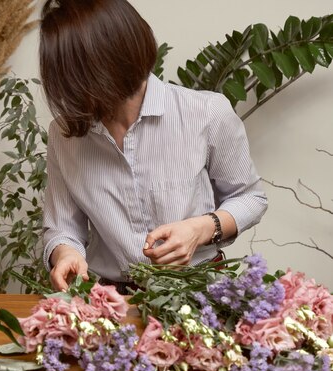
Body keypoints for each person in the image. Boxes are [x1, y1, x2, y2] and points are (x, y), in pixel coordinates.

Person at [39, 0, 268, 293]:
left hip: (200, 293)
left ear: (117, 56)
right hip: (113, 301)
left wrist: (200, 229)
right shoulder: (65, 134)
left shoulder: (206, 112)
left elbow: (249, 197)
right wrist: (66, 253)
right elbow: (62, 227)